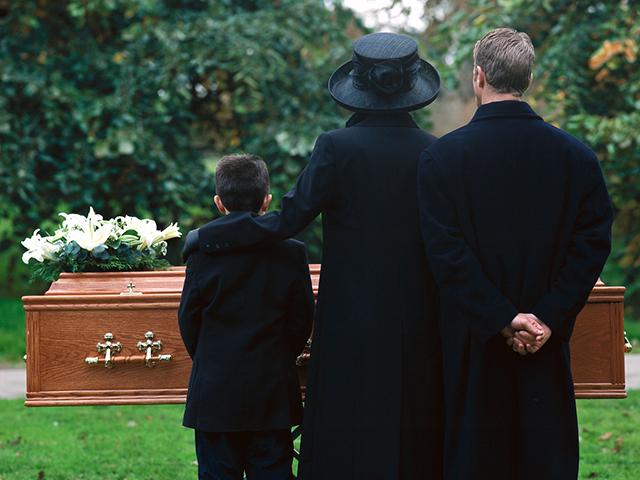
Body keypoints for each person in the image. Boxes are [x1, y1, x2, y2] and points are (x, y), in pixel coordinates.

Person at [183, 33, 444, 479]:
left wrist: (211, 238)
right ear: (410, 89)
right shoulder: (433, 150)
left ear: (358, 88)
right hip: (416, 313)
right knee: (406, 415)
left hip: (349, 314)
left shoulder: (336, 148)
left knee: (348, 419)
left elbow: (286, 220)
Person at [417, 28, 613, 480]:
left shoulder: (442, 159)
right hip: (545, 340)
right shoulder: (577, 158)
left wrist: (502, 317)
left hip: (473, 339)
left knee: (474, 459)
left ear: (478, 77)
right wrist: (545, 317)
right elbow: (591, 245)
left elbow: (445, 253)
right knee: (544, 459)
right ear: (528, 78)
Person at [178, 154, 314, 480]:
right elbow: (302, 317)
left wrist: (211, 358)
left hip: (215, 388)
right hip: (272, 388)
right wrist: (282, 356)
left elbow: (189, 318)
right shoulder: (292, 251)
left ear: (218, 203)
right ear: (266, 201)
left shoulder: (200, 251)